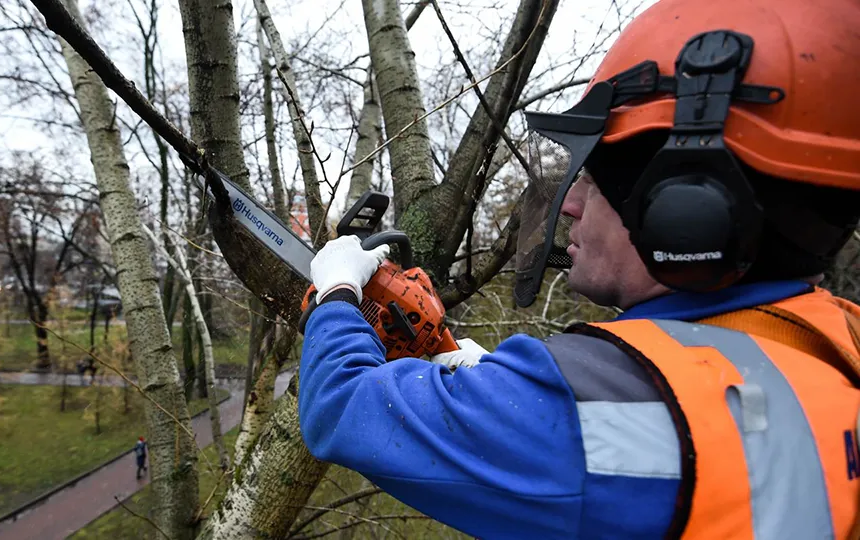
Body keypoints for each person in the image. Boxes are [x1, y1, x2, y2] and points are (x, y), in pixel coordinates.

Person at [297, 0, 860, 538]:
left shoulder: (601, 405)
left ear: (687, 209)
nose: (569, 204)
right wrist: (485, 377)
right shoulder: (839, 336)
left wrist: (339, 295)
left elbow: (341, 408)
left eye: (592, 179)